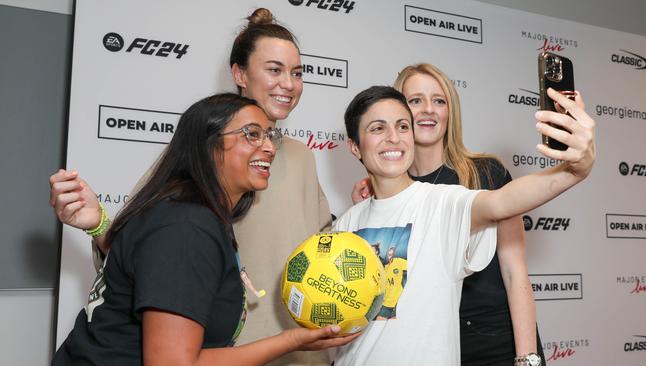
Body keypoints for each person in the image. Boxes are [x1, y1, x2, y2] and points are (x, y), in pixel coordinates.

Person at [50, 9, 332, 365]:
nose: (288, 84)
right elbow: (140, 256)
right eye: (274, 70)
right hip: (214, 350)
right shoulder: (195, 163)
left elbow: (322, 243)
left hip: (292, 351)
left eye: (297, 73)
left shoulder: (302, 157)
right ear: (239, 74)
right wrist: (100, 224)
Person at [333, 85, 595, 365]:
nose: (394, 138)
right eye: (377, 129)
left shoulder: (443, 204)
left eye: (402, 126)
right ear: (354, 146)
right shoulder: (347, 223)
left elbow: (502, 202)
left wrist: (574, 170)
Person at [353, 63, 546, 365]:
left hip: (497, 342)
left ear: (450, 111)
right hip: (433, 347)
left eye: (439, 101)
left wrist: (527, 358)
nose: (428, 109)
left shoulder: (487, 174)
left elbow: (514, 271)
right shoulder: (384, 193)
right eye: (415, 101)